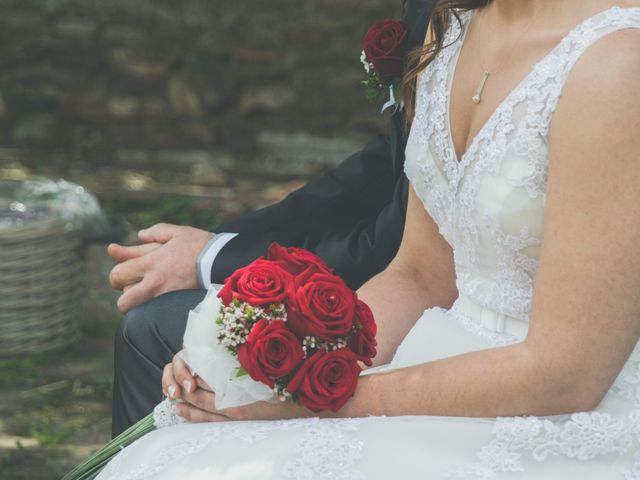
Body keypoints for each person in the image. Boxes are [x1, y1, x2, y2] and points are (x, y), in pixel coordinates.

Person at [99, 0, 640, 478]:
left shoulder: (618, 63)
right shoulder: (449, 26)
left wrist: (320, 399)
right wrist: (270, 364)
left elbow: (567, 373)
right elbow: (422, 275)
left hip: (561, 415)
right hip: (440, 352)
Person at [109, 0, 436, 435]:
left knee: (149, 328)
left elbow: (389, 244)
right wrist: (214, 248)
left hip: (452, 315)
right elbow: (387, 167)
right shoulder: (439, 11)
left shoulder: (470, 27)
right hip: (410, 284)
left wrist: (218, 268)